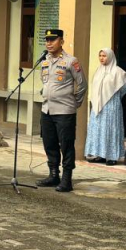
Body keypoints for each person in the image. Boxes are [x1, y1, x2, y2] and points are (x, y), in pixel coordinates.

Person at [36, 29, 87, 193]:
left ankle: (67, 179)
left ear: (61, 41)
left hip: (65, 111)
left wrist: (74, 103)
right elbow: (46, 84)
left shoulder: (71, 61)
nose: (49, 43)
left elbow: (82, 85)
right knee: (49, 143)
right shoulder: (44, 62)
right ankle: (53, 174)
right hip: (47, 110)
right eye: (47, 40)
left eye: (53, 40)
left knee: (66, 145)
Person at [84, 48, 126, 166]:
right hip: (98, 106)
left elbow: (125, 87)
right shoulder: (98, 71)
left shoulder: (118, 72)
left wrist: (114, 98)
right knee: (99, 129)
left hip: (112, 105)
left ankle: (112, 156)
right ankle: (100, 154)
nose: (102, 58)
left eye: (104, 56)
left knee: (111, 129)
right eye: (100, 56)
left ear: (110, 56)